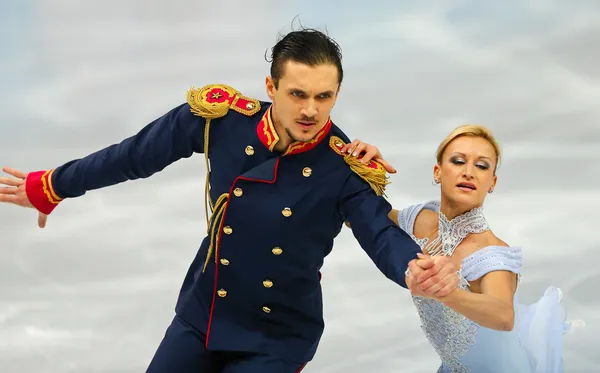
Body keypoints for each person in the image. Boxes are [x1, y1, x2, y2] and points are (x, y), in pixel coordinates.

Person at [0, 28, 461, 373]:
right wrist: (54, 185)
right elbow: (136, 155)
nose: (310, 111)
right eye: (298, 94)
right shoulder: (221, 120)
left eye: (324, 97)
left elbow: (380, 232)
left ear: (337, 93)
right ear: (270, 88)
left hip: (276, 335)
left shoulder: (345, 167)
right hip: (206, 310)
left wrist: (411, 267)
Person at [343, 125, 584, 373]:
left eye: (482, 166)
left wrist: (441, 290)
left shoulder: (490, 253)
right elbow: (363, 218)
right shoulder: (421, 221)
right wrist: (358, 166)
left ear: (492, 182)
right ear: (438, 172)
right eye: (458, 161)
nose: (469, 172)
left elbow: (503, 316)